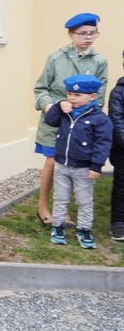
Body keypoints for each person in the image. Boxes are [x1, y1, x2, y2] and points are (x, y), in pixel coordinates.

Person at [33, 13, 107, 228]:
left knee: (73, 164)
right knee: (51, 162)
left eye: (92, 33)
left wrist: (83, 111)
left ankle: (63, 210)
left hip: (81, 124)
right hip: (55, 120)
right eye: (83, 33)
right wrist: (51, 106)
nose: (88, 38)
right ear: (71, 35)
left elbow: (100, 95)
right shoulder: (56, 58)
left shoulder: (100, 61)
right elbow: (41, 89)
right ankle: (43, 207)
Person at [45, 74, 112, 249]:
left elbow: (103, 143)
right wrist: (58, 106)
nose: (72, 99)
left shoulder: (100, 119)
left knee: (84, 200)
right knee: (60, 197)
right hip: (62, 164)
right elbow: (49, 120)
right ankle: (58, 226)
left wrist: (96, 165)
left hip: (84, 167)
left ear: (92, 97)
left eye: (77, 95)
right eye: (69, 94)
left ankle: (84, 229)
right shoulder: (65, 112)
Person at [108, 57, 124, 242]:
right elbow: (117, 119)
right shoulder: (119, 92)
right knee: (121, 186)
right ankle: (119, 222)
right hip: (121, 149)